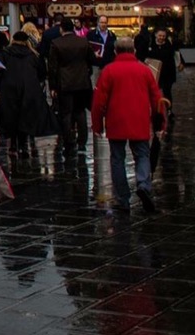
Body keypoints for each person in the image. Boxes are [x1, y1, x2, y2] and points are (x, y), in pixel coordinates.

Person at [92, 35, 170, 214]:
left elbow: (99, 102)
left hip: (116, 120)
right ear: (134, 51)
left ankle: (123, 199)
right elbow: (157, 99)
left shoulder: (109, 71)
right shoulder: (144, 71)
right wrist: (160, 124)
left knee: (117, 159)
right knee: (142, 155)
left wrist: (98, 125)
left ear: (115, 51)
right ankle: (143, 184)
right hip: (139, 120)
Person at [0, 31, 50, 148]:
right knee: (25, 117)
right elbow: (42, 72)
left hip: (9, 90)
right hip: (29, 90)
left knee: (12, 116)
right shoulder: (33, 55)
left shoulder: (5, 53)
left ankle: (13, 144)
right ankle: (23, 144)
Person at [48, 18, 96, 146]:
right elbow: (92, 59)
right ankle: (82, 140)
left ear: (61, 29)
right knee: (80, 112)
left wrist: (52, 86)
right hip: (81, 82)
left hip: (64, 83)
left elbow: (52, 67)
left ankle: (68, 140)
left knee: (66, 113)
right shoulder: (83, 42)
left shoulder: (56, 43)